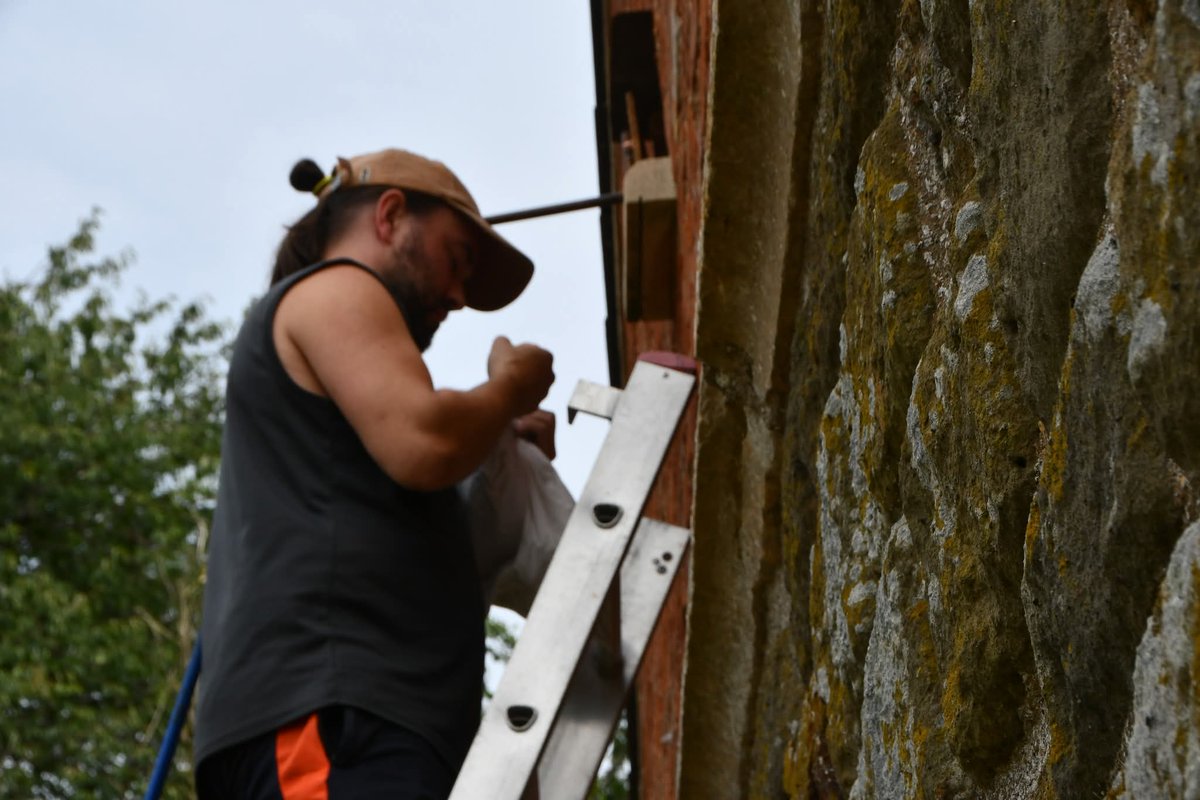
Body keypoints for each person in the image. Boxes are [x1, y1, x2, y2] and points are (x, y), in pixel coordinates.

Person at [193, 148, 556, 800]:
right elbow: (426, 442)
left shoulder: (339, 389)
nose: (458, 295)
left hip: (368, 728)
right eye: (457, 257)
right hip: (330, 721)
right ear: (390, 215)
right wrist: (507, 390)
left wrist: (494, 447)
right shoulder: (336, 288)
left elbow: (412, 475)